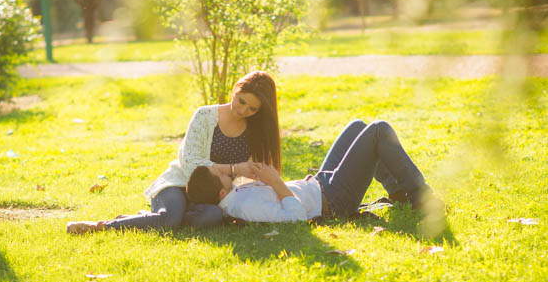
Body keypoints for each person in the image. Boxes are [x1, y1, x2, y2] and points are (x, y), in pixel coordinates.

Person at [67, 70, 281, 235]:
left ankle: (149, 218)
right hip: (179, 183)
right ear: (236, 90)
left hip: (215, 197)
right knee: (169, 220)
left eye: (252, 109)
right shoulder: (206, 116)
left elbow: (257, 176)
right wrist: (234, 168)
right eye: (241, 100)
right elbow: (190, 162)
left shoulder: (256, 131)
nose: (243, 110)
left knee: (213, 217)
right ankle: (102, 226)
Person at [186, 118, 445, 229]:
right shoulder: (245, 205)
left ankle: (398, 192)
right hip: (333, 199)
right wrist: (275, 182)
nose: (224, 172)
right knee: (379, 130)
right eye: (220, 175)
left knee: (357, 127)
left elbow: (268, 192)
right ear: (221, 191)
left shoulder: (233, 195)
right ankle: (423, 197)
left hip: (321, 183)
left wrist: (261, 177)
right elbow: (296, 217)